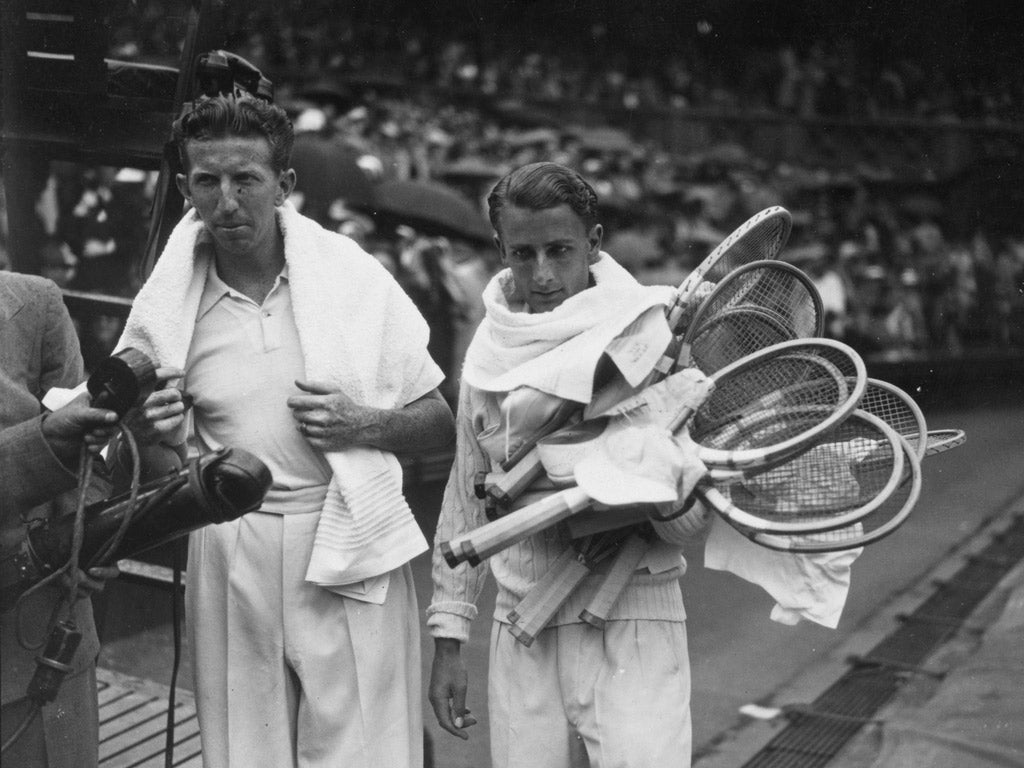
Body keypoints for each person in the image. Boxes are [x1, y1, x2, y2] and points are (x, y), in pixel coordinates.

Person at [120, 93, 454, 768]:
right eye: (208, 182)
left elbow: (440, 426)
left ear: (284, 186)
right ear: (186, 188)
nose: (227, 201)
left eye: (246, 179)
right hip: (230, 543)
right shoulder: (169, 309)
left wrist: (364, 422)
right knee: (243, 752)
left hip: (344, 533)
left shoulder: (353, 280)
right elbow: (149, 461)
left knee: (368, 752)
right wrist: (155, 430)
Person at [427, 162, 705, 768]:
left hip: (635, 607)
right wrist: (450, 635)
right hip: (521, 617)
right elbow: (465, 499)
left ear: (594, 243)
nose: (543, 273)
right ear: (501, 250)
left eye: (560, 250)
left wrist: (659, 492)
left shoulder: (649, 335)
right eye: (523, 254)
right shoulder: (486, 355)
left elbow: (687, 524)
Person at [0, 271, 120, 768]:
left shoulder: (35, 302)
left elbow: (93, 452)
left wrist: (83, 538)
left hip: (41, 637)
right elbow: (63, 435)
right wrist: (48, 440)